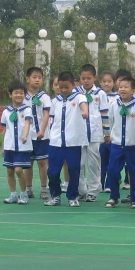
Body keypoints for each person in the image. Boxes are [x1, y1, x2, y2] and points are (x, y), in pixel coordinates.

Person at [45, 71, 88, 207]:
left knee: (74, 169)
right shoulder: (55, 101)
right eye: (60, 87)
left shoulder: (79, 97)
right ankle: (55, 195)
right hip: (56, 142)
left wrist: (84, 111)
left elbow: (83, 105)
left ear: (73, 85)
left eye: (66, 87)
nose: (63, 90)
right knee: (53, 171)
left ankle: (72, 196)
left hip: (73, 142)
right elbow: (51, 118)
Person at [105, 77, 135, 208]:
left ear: (133, 90)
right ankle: (114, 197)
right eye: (120, 87)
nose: (122, 89)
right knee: (113, 170)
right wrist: (108, 134)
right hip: (116, 144)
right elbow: (110, 120)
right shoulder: (114, 104)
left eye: (126, 87)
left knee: (133, 171)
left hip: (132, 145)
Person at [78, 64, 109, 203]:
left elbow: (104, 113)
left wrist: (107, 133)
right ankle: (81, 189)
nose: (86, 81)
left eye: (89, 78)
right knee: (79, 163)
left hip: (95, 133)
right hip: (79, 134)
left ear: (95, 78)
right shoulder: (77, 93)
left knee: (93, 163)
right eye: (83, 78)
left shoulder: (100, 94)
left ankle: (94, 190)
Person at [1, 81, 33, 205]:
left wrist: (25, 135)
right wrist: (3, 147)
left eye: (21, 93)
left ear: (24, 95)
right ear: (10, 95)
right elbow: (4, 129)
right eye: (16, 93)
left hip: (22, 146)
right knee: (9, 171)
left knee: (19, 170)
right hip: (10, 145)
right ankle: (13, 194)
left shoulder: (27, 109)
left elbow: (27, 123)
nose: (19, 95)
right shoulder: (6, 111)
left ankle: (24, 193)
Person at [23, 67, 52, 200]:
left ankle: (44, 188)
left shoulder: (45, 97)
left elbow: (46, 115)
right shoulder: (23, 97)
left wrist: (42, 130)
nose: (37, 80)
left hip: (43, 135)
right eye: (34, 77)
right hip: (28, 136)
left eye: (39, 77)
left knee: (42, 162)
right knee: (28, 163)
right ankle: (28, 188)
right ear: (27, 79)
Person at [99, 71, 116, 192]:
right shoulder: (97, 96)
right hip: (99, 134)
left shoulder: (117, 97)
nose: (106, 84)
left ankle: (109, 184)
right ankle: (99, 183)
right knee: (100, 161)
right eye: (104, 81)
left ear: (114, 83)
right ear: (100, 83)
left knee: (112, 161)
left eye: (109, 81)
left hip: (113, 134)